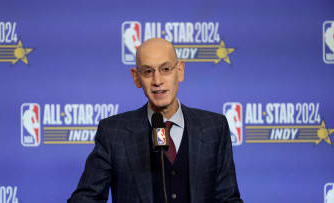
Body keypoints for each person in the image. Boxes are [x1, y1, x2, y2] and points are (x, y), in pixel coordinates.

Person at [68, 38, 243, 203]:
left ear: (180, 71)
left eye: (165, 69)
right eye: (148, 72)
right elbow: (85, 199)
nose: (157, 81)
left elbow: (228, 198)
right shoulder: (114, 132)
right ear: (136, 78)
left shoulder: (214, 127)